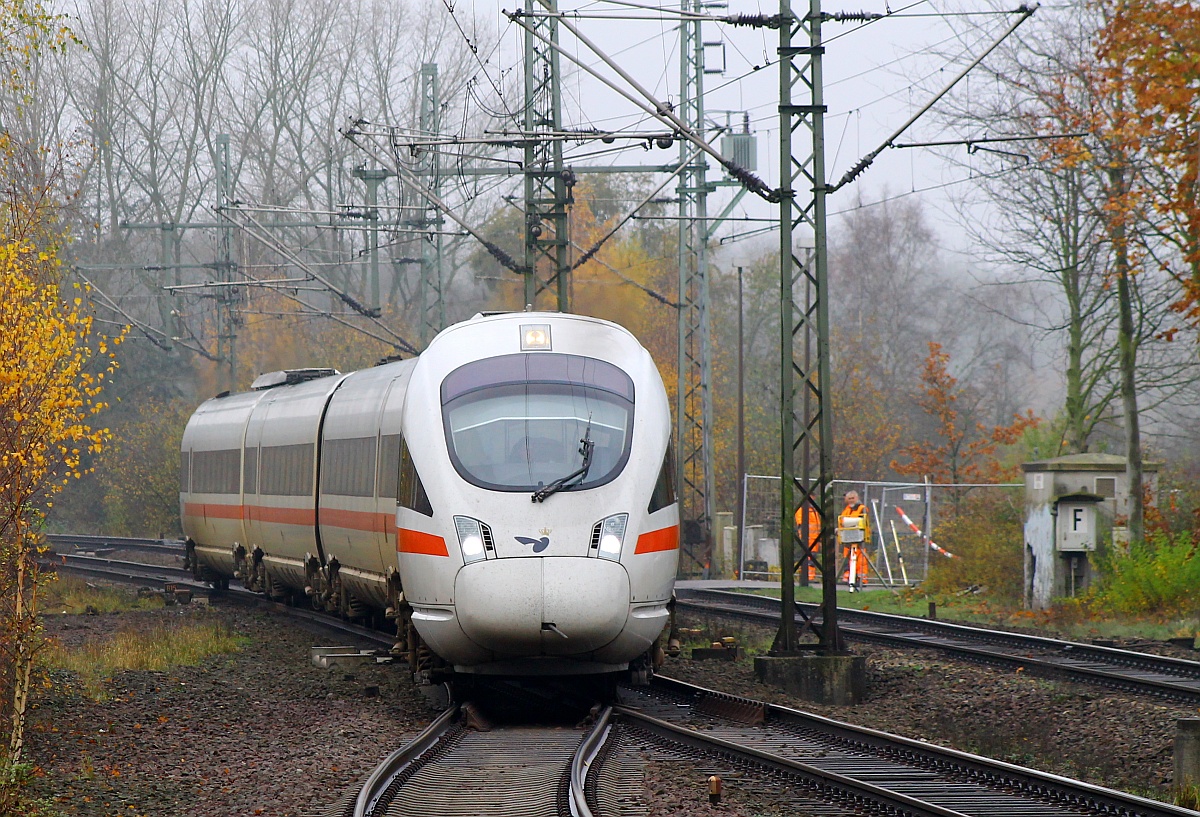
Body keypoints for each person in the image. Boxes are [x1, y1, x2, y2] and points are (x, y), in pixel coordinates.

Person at [837, 490, 870, 591]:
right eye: (849, 498)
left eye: (852, 498)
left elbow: (861, 522)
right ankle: (848, 577)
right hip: (848, 537)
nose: (851, 500)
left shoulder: (862, 509)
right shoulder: (847, 509)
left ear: (857, 498)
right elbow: (842, 521)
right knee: (847, 558)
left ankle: (861, 579)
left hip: (859, 538)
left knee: (861, 559)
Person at [794, 503, 821, 582]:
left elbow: (817, 525)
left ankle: (810, 577)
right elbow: (801, 524)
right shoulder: (802, 509)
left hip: (815, 538)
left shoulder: (813, 509)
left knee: (812, 557)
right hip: (807, 538)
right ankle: (806, 577)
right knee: (808, 557)